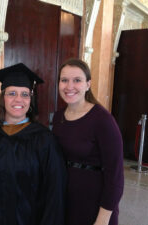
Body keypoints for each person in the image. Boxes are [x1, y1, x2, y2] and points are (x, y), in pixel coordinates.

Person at [0, 63, 66, 225]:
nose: (19, 99)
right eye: (12, 93)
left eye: (25, 94)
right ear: (3, 98)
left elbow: (54, 193)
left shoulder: (44, 140)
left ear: (31, 100)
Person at [52, 58, 124, 225]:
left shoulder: (102, 120)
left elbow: (115, 176)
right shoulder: (58, 117)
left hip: (95, 204)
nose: (69, 86)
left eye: (77, 80)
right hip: (66, 201)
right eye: (64, 80)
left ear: (88, 84)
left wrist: (103, 219)